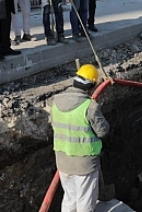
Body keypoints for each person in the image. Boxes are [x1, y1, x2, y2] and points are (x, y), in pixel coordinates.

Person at [51, 64, 110, 212]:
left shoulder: (55, 102)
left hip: (63, 161)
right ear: (90, 87)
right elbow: (103, 131)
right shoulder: (89, 106)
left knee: (70, 197)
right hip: (84, 164)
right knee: (85, 201)